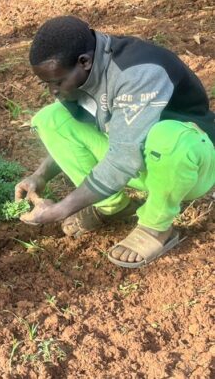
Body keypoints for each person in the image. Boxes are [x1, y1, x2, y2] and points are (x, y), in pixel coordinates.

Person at [16, 16, 215, 268]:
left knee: (168, 138)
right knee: (50, 118)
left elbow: (123, 159)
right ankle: (112, 207)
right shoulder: (80, 77)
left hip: (189, 165)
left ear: (84, 61)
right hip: (136, 161)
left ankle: (157, 226)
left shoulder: (139, 71)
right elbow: (98, 139)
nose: (53, 91)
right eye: (47, 84)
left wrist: (62, 208)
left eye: (57, 82)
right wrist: (41, 175)